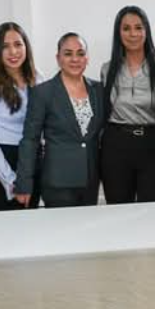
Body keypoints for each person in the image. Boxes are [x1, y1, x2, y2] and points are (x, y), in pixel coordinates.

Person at [15, 33, 104, 208]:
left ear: (87, 58)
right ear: (58, 58)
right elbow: (30, 140)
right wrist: (23, 182)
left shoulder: (99, 89)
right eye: (68, 53)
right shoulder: (43, 92)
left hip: (90, 181)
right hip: (58, 183)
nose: (75, 59)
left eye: (80, 53)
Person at [100, 6, 155, 204]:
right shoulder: (107, 69)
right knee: (118, 210)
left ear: (146, 31)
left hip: (152, 144)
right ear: (118, 33)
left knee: (154, 209)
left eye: (138, 28)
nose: (133, 34)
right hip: (116, 144)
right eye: (126, 28)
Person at [0, 22, 43, 210]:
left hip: (32, 158)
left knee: (33, 222)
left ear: (26, 47)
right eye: (5, 46)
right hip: (2, 159)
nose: (13, 52)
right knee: (8, 224)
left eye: (18, 44)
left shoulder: (38, 79)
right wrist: (11, 179)